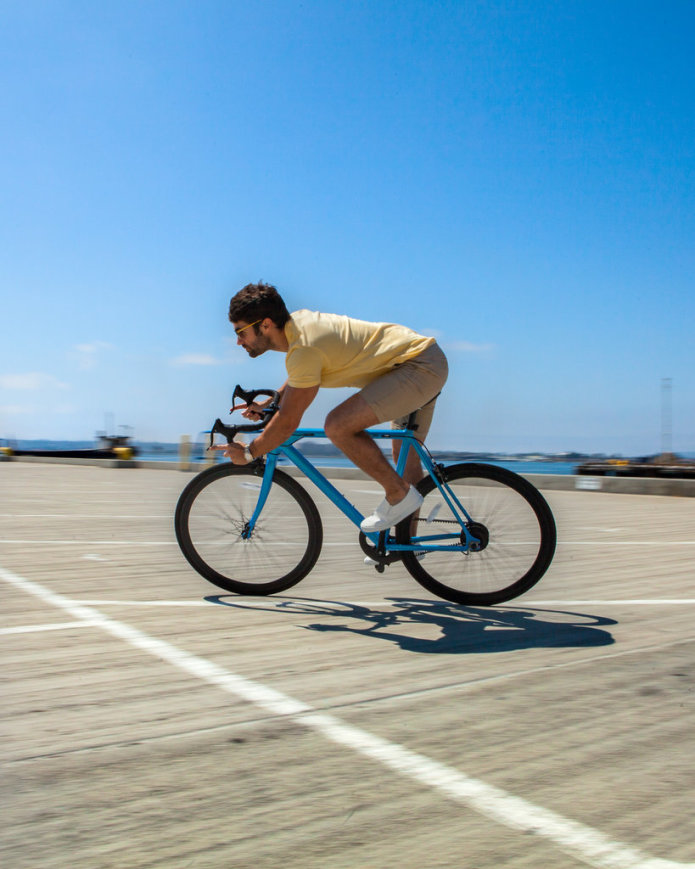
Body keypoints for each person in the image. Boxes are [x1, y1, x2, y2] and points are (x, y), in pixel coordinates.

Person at [219, 282, 448, 533]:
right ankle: (407, 545)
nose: (239, 342)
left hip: (417, 366)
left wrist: (250, 452)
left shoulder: (303, 347)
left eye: (241, 332)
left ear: (265, 324)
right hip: (420, 361)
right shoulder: (298, 328)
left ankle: (397, 494)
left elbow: (287, 422)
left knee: (337, 425)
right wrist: (272, 402)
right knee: (405, 464)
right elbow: (301, 377)